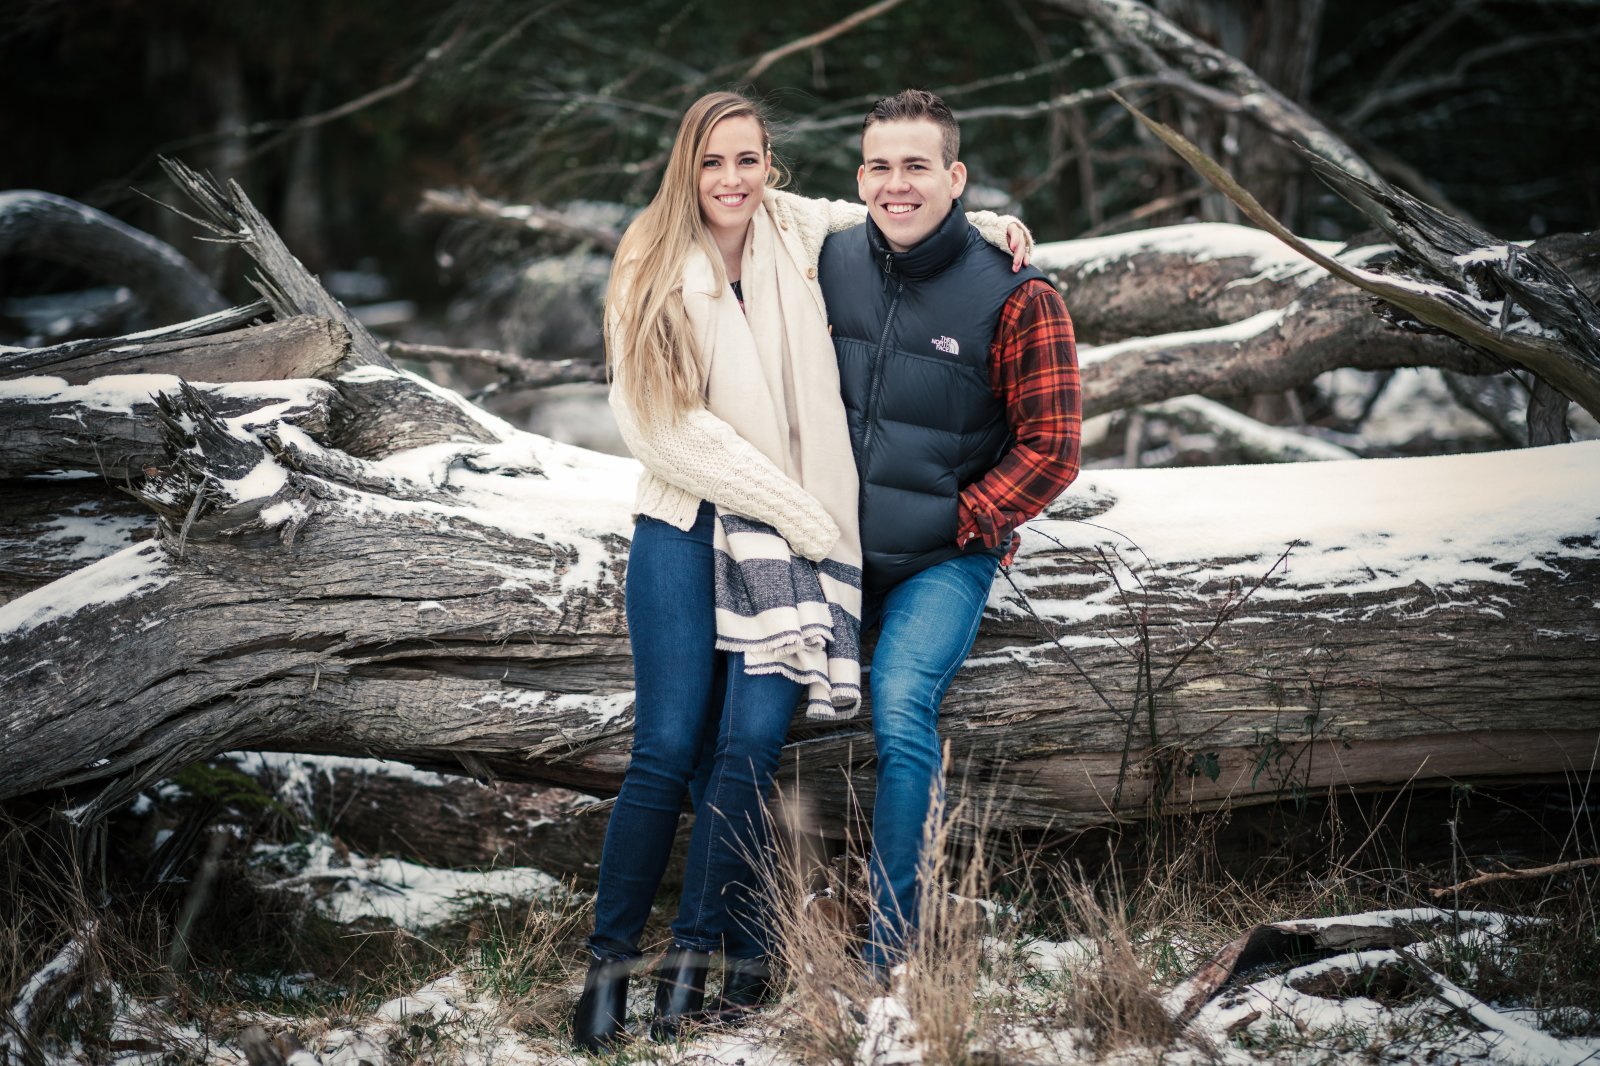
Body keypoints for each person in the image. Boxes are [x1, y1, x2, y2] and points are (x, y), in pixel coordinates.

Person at [571, 90, 1030, 1051]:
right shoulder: (648, 258)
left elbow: (892, 211)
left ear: (769, 165)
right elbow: (660, 429)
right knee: (665, 746)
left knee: (749, 744)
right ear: (686, 168)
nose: (731, 179)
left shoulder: (791, 227)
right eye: (712, 162)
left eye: (748, 159)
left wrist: (988, 223)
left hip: (786, 542)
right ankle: (607, 971)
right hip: (692, 522)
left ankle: (693, 964)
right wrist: (800, 512)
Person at [816, 88, 1082, 977]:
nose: (897, 185)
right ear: (860, 178)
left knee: (899, 707)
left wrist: (959, 520)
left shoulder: (1018, 294)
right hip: (830, 547)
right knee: (752, 704)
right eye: (880, 167)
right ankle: (747, 932)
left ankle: (889, 951)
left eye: (917, 167)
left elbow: (1052, 448)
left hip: (942, 560)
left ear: (955, 176)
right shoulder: (826, 260)